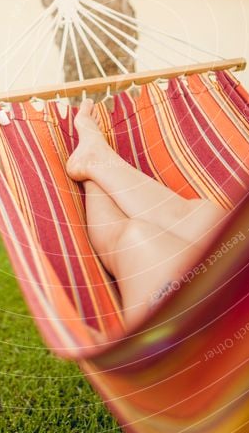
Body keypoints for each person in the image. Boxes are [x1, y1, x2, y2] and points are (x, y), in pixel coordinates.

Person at [67, 98, 228, 328]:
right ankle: (94, 161)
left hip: (204, 338)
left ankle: (92, 166)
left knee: (138, 239)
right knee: (206, 221)